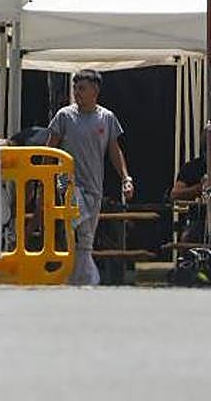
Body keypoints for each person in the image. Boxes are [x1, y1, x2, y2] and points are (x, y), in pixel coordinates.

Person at [46, 69, 133, 286]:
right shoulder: (64, 116)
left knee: (86, 239)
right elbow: (50, 148)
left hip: (94, 183)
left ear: (95, 91)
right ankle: (87, 276)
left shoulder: (107, 118)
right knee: (80, 226)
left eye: (82, 88)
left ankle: (79, 278)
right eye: (75, 88)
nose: (77, 93)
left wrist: (126, 178)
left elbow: (114, 150)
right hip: (65, 181)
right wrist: (46, 178)